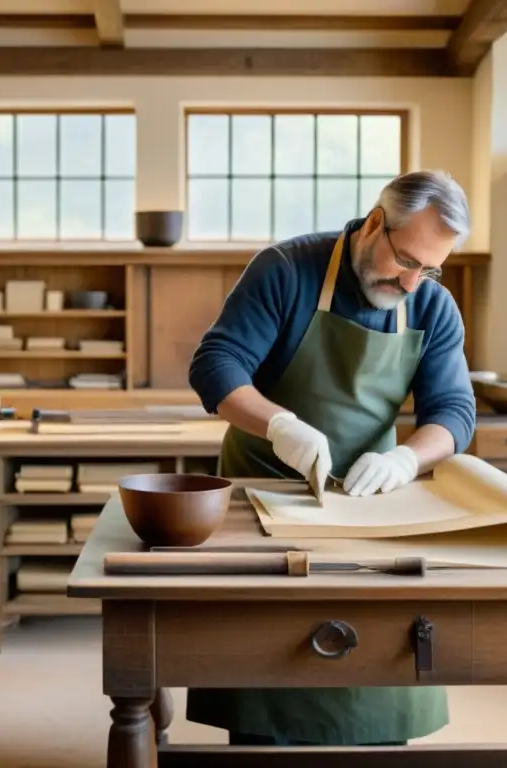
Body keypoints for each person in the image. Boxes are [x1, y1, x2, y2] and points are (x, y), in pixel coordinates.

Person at [186, 169, 477, 747]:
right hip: (266, 492)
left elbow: (453, 414)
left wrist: (405, 461)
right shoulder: (286, 270)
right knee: (268, 672)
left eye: (431, 268)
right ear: (375, 223)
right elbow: (215, 366)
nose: (415, 281)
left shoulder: (431, 306)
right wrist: (280, 425)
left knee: (378, 661)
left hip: (369, 503)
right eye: (407, 260)